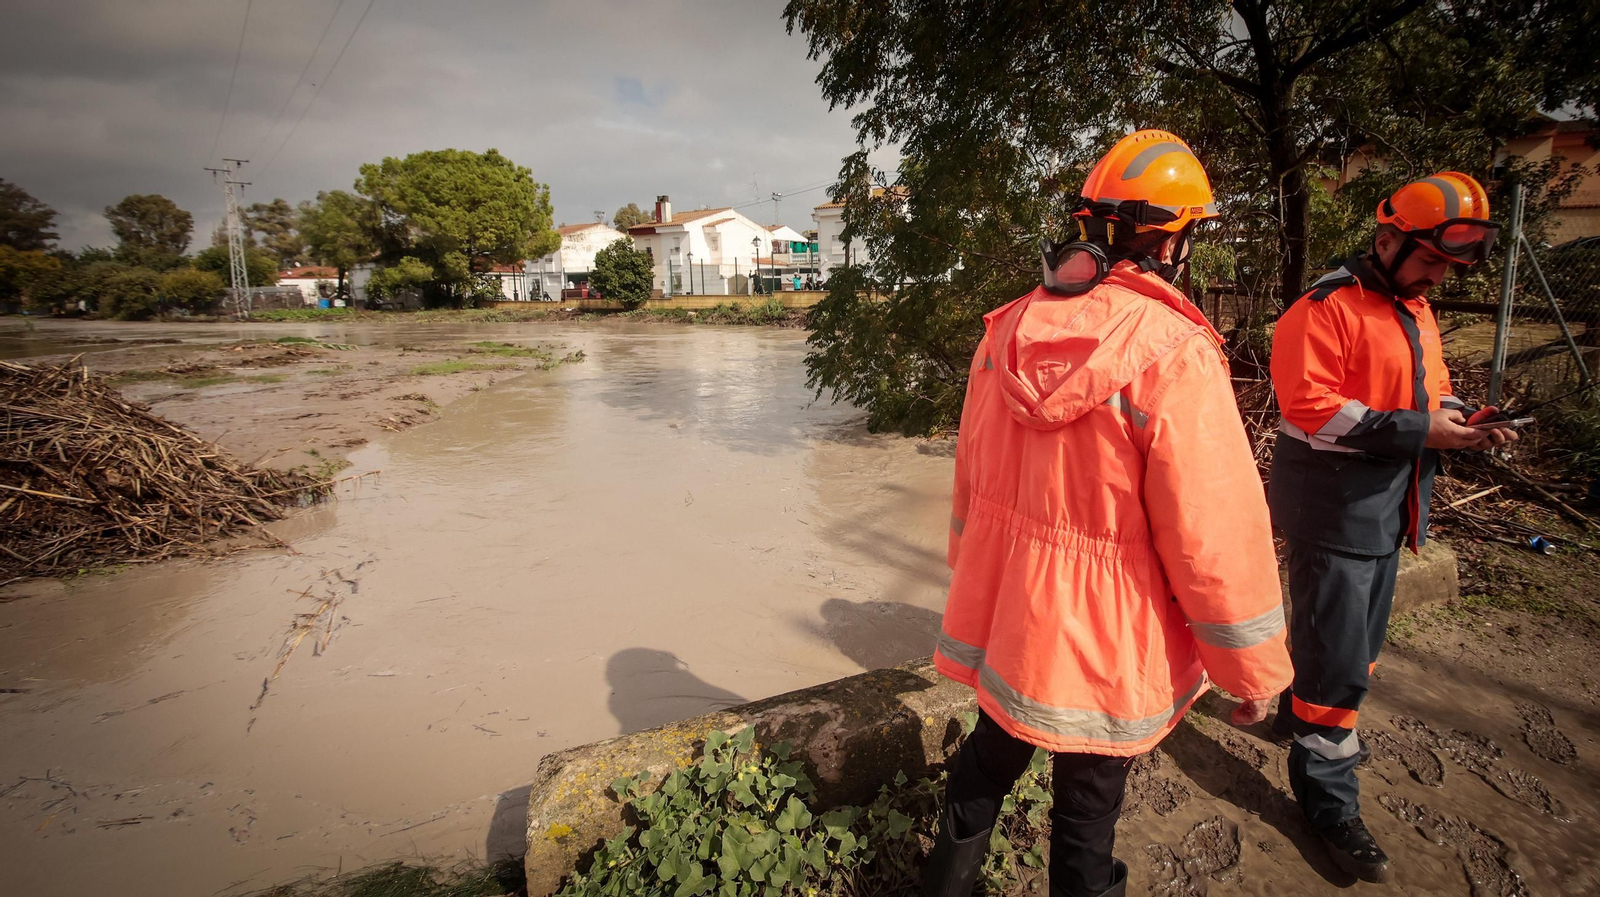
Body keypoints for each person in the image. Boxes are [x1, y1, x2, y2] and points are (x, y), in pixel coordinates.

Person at [926, 130, 1293, 897]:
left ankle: (946, 884)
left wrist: (973, 576)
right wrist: (1250, 670)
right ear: (1175, 237)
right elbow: (1213, 532)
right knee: (1088, 810)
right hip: (1109, 629)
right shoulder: (1175, 348)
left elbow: (972, 476)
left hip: (1013, 612)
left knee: (989, 755)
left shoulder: (1007, 330)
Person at [1268, 171, 1516, 882]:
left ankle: (1302, 716)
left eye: (1448, 267)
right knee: (1340, 668)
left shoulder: (1414, 309)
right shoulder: (1324, 309)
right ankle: (1329, 800)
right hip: (1335, 513)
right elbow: (1313, 407)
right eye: (1432, 260)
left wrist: (1466, 417)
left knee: (1350, 648)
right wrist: (1422, 429)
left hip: (1385, 513)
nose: (1439, 276)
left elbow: (1425, 389)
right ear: (1386, 239)